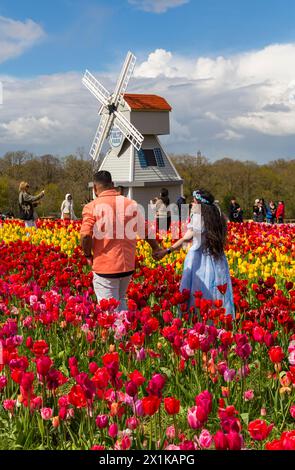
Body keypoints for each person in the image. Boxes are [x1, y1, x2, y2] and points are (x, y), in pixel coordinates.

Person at [80, 171, 160, 310]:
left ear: (94, 188)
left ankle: (119, 331)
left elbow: (86, 235)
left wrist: (87, 255)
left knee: (109, 312)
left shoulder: (91, 206)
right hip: (127, 266)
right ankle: (125, 330)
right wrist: (156, 248)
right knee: (121, 302)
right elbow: (144, 230)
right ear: (113, 185)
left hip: (105, 267)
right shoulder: (130, 204)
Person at [155, 189, 235, 317]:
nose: (192, 203)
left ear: (199, 203)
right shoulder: (217, 215)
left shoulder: (199, 217)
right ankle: (215, 316)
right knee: (215, 288)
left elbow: (187, 238)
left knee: (199, 290)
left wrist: (167, 250)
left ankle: (196, 317)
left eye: (194, 201)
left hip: (199, 259)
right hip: (216, 257)